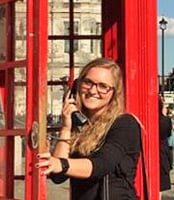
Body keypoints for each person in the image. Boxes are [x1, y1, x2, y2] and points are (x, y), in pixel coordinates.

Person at [36, 58, 141, 200]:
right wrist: (66, 127)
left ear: (114, 93)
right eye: (88, 82)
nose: (92, 90)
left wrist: (60, 164)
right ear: (77, 86)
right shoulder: (80, 126)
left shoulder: (125, 124)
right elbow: (57, 176)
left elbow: (101, 165)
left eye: (103, 86)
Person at [159, 98, 172, 199]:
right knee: (160, 185)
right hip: (163, 152)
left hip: (148, 153)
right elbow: (168, 134)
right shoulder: (166, 120)